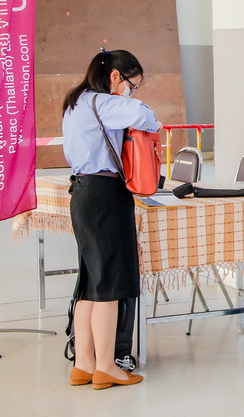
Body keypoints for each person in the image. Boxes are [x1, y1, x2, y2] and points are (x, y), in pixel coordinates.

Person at [61, 48, 160, 389]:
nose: (132, 92)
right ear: (116, 76)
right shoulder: (103, 103)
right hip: (105, 194)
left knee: (90, 283)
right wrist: (135, 104)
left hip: (82, 193)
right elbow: (146, 117)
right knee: (111, 284)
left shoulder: (76, 102)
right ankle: (107, 366)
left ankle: (84, 363)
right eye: (132, 85)